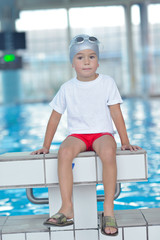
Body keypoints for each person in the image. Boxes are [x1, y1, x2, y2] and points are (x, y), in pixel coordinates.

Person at [31, 34, 141, 236]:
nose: (86, 62)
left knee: (109, 152)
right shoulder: (67, 88)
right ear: (72, 63)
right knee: (64, 153)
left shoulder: (107, 83)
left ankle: (108, 209)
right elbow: (54, 118)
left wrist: (125, 142)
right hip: (79, 136)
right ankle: (67, 207)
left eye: (91, 57)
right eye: (80, 57)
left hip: (102, 134)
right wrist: (46, 146)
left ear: (98, 61)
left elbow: (116, 113)